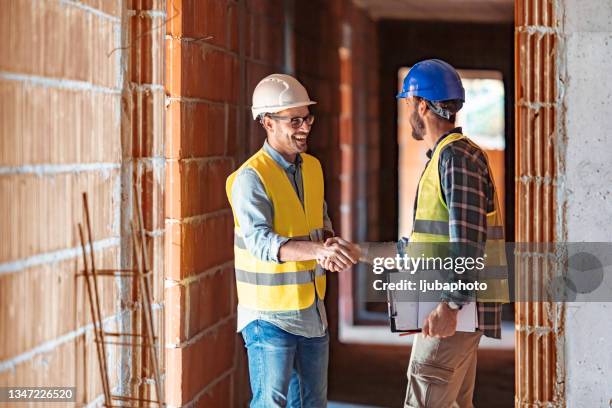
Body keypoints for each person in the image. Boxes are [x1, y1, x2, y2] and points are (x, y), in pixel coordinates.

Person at [345, 59, 509, 407]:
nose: (408, 113)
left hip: (453, 313)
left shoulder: (456, 159)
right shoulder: (446, 158)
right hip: (454, 311)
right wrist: (360, 252)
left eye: (408, 104)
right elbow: (423, 245)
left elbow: (468, 242)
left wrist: (450, 305)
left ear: (422, 105)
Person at [226, 73, 360, 407]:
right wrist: (316, 250)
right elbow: (261, 243)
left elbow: (321, 224)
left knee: (313, 403)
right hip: (269, 316)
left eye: (307, 119)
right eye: (295, 120)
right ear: (268, 122)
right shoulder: (250, 178)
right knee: (271, 402)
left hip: (312, 311)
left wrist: (330, 247)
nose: (304, 128)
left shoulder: (313, 168)